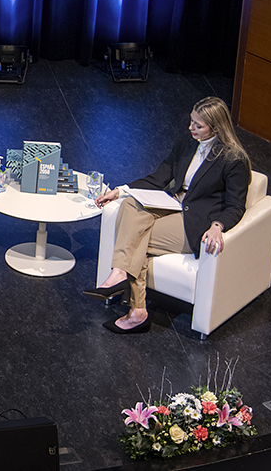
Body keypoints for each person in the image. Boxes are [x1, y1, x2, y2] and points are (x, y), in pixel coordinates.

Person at [84, 96, 251, 334]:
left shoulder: (234, 160)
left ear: (215, 127)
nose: (190, 128)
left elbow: (236, 206)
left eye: (198, 125)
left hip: (195, 220)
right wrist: (119, 191)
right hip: (172, 202)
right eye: (191, 121)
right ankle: (121, 276)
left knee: (134, 240)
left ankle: (137, 309)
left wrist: (217, 225)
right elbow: (159, 177)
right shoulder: (187, 142)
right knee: (129, 205)